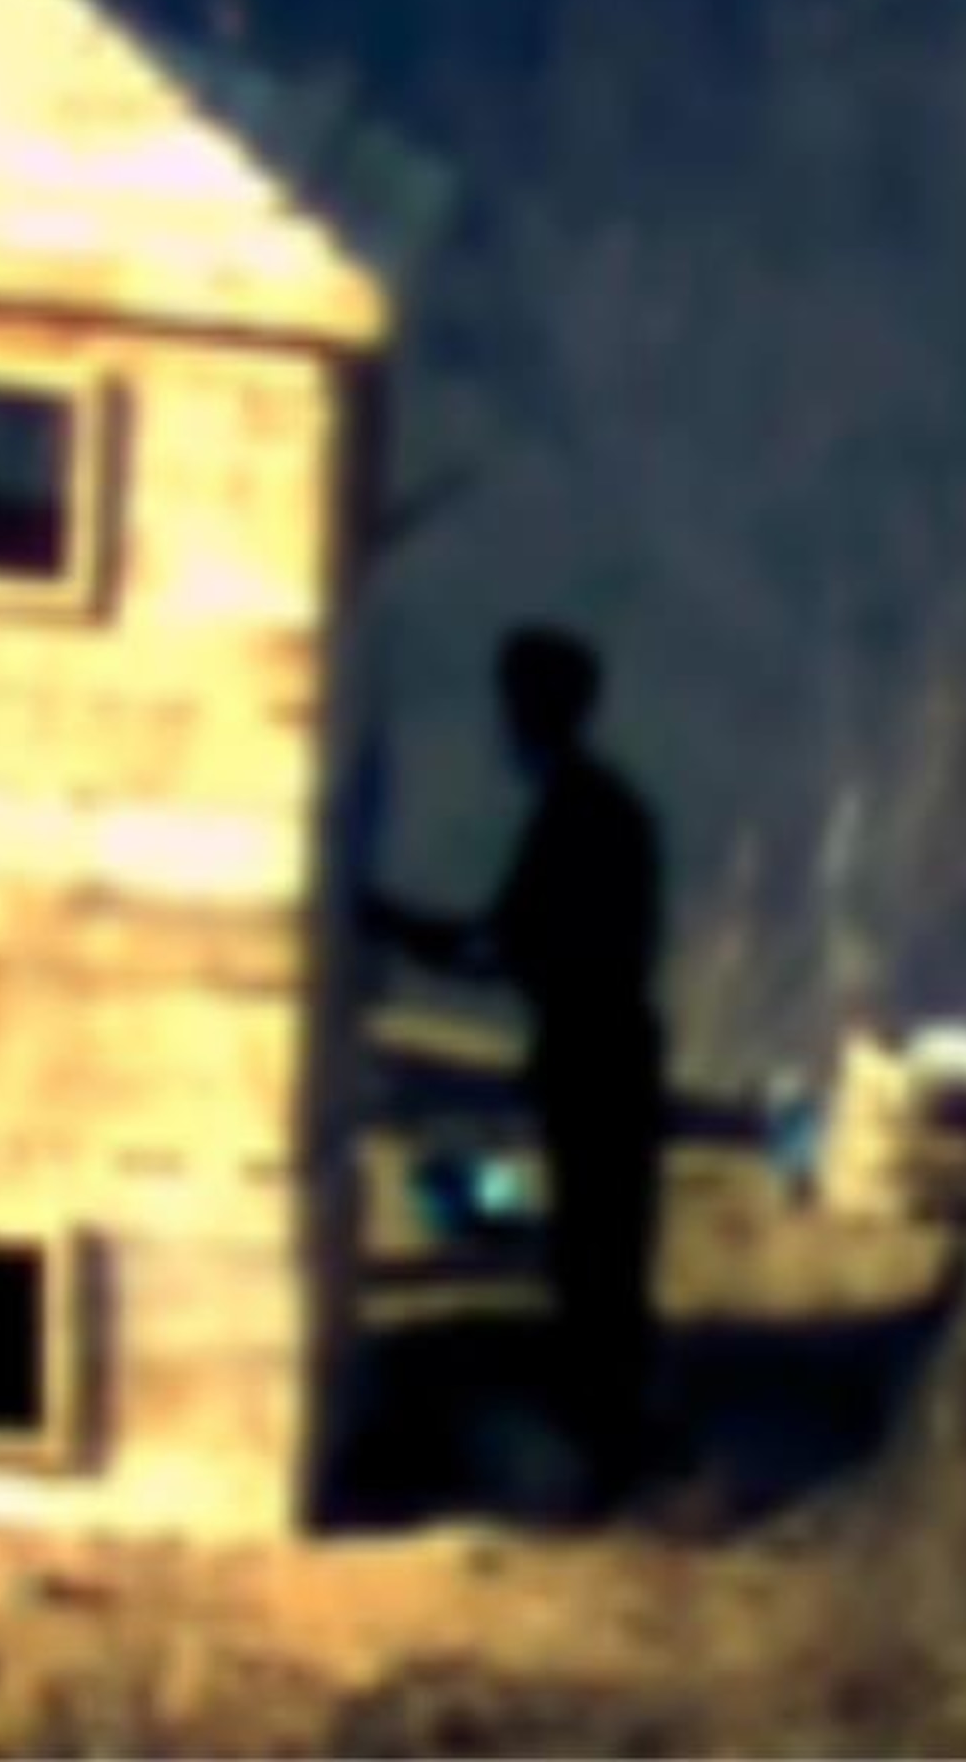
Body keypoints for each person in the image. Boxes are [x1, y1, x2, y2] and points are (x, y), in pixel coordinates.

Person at [363, 626, 668, 1517]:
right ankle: (615, 1446)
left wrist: (387, 925)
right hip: (613, 1050)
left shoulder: (577, 813)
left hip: (593, 1054)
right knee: (607, 1250)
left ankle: (607, 1462)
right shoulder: (610, 808)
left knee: (595, 1258)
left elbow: (496, 945)